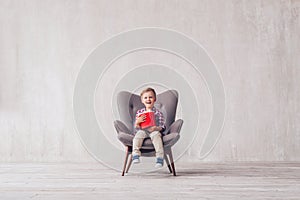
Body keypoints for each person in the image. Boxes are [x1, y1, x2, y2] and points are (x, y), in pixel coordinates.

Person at [132, 87, 166, 168]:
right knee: (138, 135)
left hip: (154, 130)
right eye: (145, 98)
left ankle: (160, 158)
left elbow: (162, 126)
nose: (148, 99)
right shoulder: (140, 112)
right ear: (142, 100)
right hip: (143, 130)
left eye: (150, 97)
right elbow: (136, 127)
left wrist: (156, 128)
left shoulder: (158, 113)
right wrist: (138, 122)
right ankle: (135, 154)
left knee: (157, 136)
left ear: (154, 99)